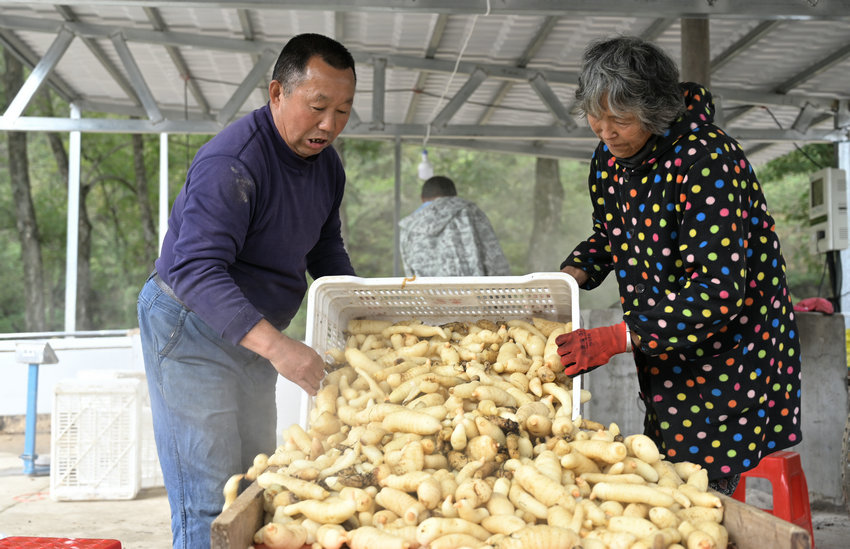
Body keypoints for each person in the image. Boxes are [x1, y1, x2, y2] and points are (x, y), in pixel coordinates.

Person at [136, 33, 356, 549]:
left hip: (251, 333)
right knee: (212, 500)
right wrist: (279, 349)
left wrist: (364, 316)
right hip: (189, 329)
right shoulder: (232, 162)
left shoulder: (327, 167)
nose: (330, 125)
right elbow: (194, 269)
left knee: (258, 490)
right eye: (318, 106)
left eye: (344, 110)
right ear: (278, 93)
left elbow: (326, 256)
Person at [555, 36, 802, 495]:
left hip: (730, 356)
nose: (605, 131)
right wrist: (568, 278)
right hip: (666, 345)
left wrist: (619, 336)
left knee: (704, 491)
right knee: (669, 470)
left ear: (654, 113)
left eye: (621, 120)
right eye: (596, 116)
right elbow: (613, 234)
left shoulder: (708, 160)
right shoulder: (609, 161)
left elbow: (718, 290)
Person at [399, 175, 511, 277]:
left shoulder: (407, 227)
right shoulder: (470, 212)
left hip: (431, 297)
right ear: (454, 196)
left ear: (422, 198)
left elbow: (410, 272)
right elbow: (494, 260)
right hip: (472, 294)